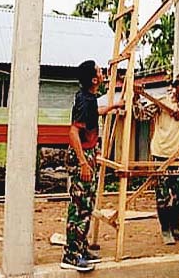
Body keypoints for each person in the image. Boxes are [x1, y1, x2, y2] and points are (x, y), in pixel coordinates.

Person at [61, 60, 123, 272]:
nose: (103, 72)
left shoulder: (88, 98)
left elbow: (93, 114)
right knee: (80, 207)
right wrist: (83, 162)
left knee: (87, 205)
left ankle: (81, 248)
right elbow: (73, 132)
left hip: (87, 153)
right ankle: (71, 255)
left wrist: (113, 106)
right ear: (94, 79)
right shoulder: (85, 101)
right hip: (83, 155)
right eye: (99, 71)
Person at [134, 72, 179, 245]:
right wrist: (136, 98)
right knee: (163, 196)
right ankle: (165, 230)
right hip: (161, 154)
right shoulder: (163, 101)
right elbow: (141, 115)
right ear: (175, 86)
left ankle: (176, 228)